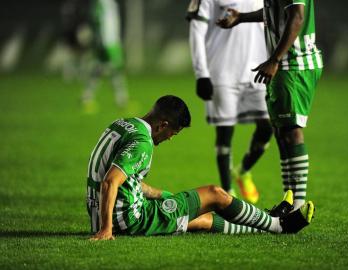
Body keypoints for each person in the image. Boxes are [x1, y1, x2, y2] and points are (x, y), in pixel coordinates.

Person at [86, 95, 315, 240]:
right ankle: (279, 225)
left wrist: (162, 195)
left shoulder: (123, 124)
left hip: (104, 214)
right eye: (172, 133)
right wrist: (106, 230)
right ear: (162, 125)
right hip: (129, 220)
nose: (170, 138)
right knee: (215, 194)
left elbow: (128, 179)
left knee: (200, 219)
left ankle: (265, 219)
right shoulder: (143, 143)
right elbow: (110, 181)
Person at [217, 0, 323, 210]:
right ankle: (289, 201)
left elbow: (297, 16)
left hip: (295, 63)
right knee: (281, 133)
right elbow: (273, 12)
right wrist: (241, 18)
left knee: (292, 132)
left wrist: (274, 60)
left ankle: (297, 206)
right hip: (283, 64)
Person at [186, 0, 273, 204]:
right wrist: (202, 74)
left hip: (258, 68)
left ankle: (243, 171)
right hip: (222, 70)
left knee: (268, 127)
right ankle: (228, 192)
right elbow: (196, 30)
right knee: (225, 133)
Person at [81, 0, 129, 113]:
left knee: (100, 69)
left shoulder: (110, 3)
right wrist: (103, 43)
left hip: (112, 42)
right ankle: (122, 101)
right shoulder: (102, 3)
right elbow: (98, 22)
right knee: (115, 69)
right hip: (108, 43)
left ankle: (86, 97)